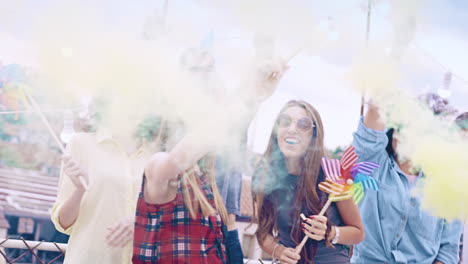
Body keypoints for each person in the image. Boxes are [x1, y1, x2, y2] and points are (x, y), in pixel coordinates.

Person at [132, 57, 288, 263]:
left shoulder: (204, 178)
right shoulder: (157, 164)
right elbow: (184, 154)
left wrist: (256, 94)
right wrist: (249, 95)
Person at [253, 100, 365, 264]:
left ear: (313, 135)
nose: (292, 129)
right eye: (284, 122)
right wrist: (280, 251)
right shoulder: (264, 175)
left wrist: (330, 232)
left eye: (303, 124)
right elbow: (263, 233)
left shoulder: (331, 174)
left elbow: (358, 233)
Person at [350, 102, 463, 264]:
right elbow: (369, 135)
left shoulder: (447, 186)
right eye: (402, 128)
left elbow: (448, 251)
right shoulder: (374, 164)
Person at [51, 113, 160, 263]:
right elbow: (63, 222)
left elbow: (168, 216)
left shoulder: (158, 153)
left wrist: (140, 221)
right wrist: (80, 190)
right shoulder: (81, 143)